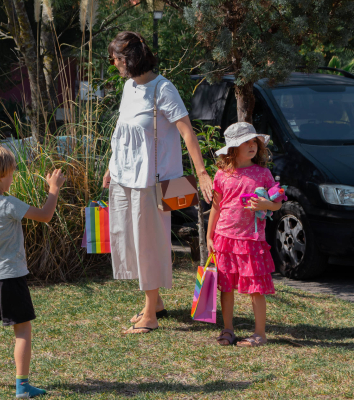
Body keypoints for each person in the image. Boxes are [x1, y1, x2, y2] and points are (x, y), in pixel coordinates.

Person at [103, 31, 214, 334]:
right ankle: (156, 303)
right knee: (132, 241)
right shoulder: (129, 87)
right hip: (125, 178)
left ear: (131, 58)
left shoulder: (163, 89)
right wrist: (112, 167)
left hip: (151, 184)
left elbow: (187, 132)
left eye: (116, 58)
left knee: (150, 244)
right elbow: (124, 131)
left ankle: (150, 315)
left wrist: (202, 172)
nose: (113, 63)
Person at [0, 144, 65, 398]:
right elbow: (46, 215)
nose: (14, 176)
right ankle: (23, 385)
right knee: (23, 329)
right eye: (12, 172)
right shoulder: (8, 204)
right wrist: (54, 189)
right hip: (10, 278)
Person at [206, 122, 283, 347]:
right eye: (246, 143)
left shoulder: (263, 174)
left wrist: (266, 204)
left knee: (256, 288)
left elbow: (277, 205)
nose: (252, 146)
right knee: (226, 286)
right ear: (233, 148)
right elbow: (216, 208)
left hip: (251, 239)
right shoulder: (221, 174)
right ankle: (228, 329)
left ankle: (260, 334)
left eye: (254, 143)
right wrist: (210, 236)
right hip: (224, 238)